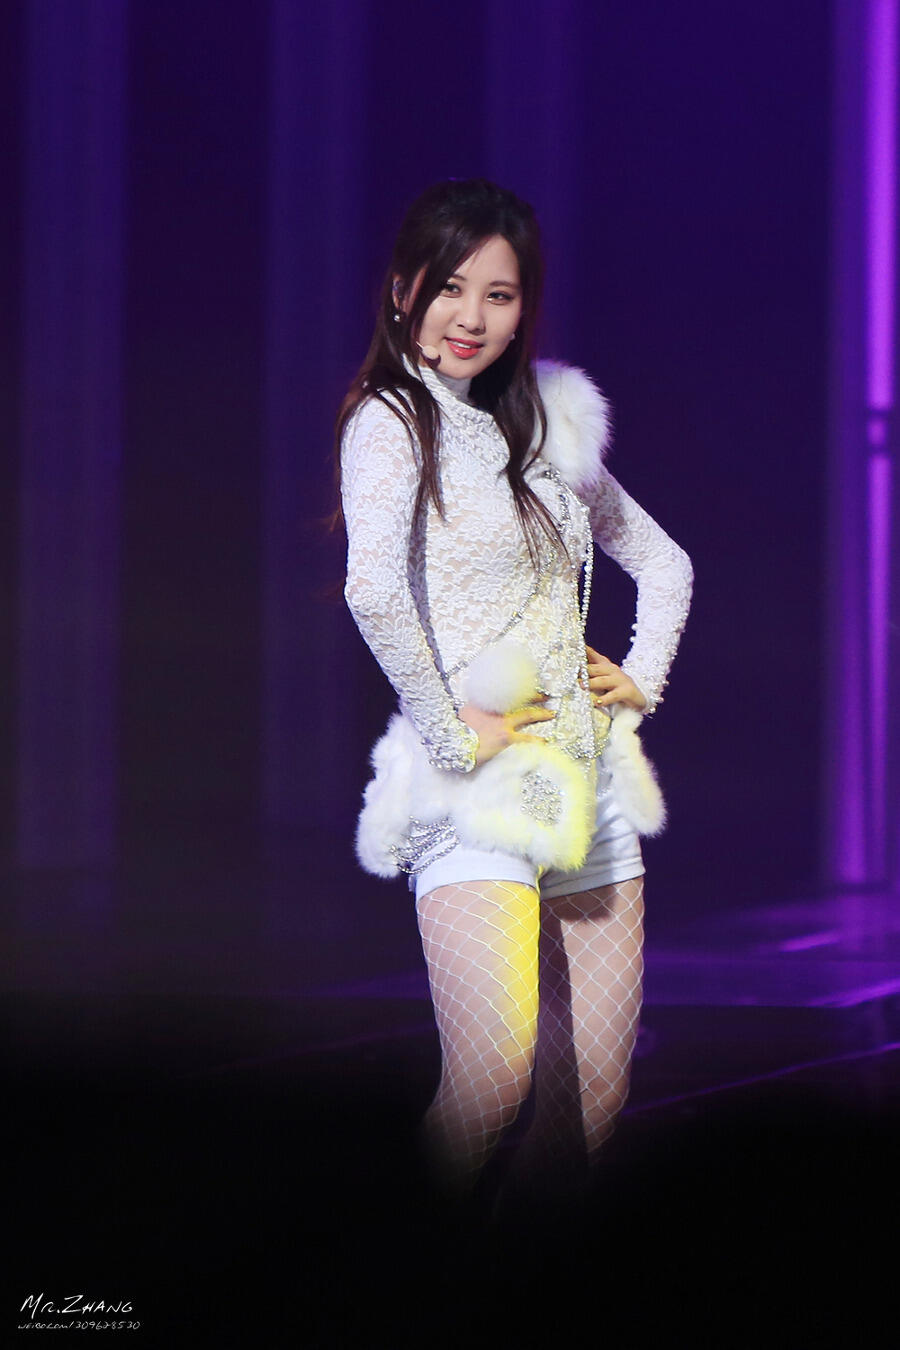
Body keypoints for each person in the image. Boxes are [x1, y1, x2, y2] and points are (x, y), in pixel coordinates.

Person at [336, 178, 692, 1209]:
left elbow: (664, 564)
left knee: (593, 1107)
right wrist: (451, 735)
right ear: (404, 289)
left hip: (591, 784)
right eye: (451, 288)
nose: (472, 317)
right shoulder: (392, 422)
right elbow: (371, 590)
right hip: (475, 792)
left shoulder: (547, 424)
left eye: (499, 295)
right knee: (493, 1078)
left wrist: (640, 678)